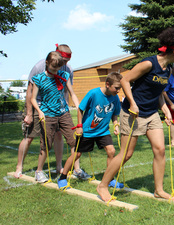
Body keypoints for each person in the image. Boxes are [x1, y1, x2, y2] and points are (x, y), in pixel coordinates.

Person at [96, 28, 174, 202]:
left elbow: (159, 93)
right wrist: (132, 102)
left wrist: (166, 109)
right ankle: (102, 186)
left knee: (160, 150)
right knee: (126, 154)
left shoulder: (167, 69)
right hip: (133, 113)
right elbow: (125, 80)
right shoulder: (149, 63)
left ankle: (159, 190)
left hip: (151, 113)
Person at [14, 44, 89, 181]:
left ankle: (68, 167)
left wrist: (75, 108)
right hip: (42, 107)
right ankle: (22, 167)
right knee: (32, 137)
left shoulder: (65, 71)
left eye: (65, 63)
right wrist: (31, 113)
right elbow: (31, 93)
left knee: (69, 139)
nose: (64, 65)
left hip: (61, 110)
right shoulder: (39, 68)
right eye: (63, 62)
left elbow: (69, 92)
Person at [57, 72, 123, 190]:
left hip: (103, 131)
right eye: (116, 88)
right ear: (108, 84)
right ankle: (62, 177)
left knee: (111, 151)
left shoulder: (115, 97)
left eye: (120, 88)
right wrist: (79, 126)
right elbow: (80, 109)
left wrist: (116, 125)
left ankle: (110, 179)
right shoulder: (93, 93)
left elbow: (115, 114)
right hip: (87, 131)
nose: (118, 91)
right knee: (77, 154)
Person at [31, 51, 81, 183]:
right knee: (46, 144)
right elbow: (32, 99)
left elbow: (72, 93)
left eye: (58, 68)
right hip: (47, 114)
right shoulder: (39, 78)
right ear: (47, 63)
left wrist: (78, 106)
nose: (56, 71)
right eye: (53, 68)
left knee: (73, 142)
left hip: (64, 113)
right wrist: (39, 111)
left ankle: (76, 169)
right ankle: (39, 171)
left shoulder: (64, 75)